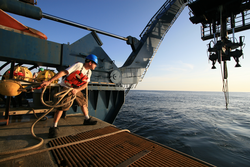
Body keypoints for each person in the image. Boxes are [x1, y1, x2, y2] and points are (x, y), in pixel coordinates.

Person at [40, 54, 98, 138]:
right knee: (62, 107)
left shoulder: (89, 72)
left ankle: (87, 119)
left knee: (83, 102)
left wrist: (77, 90)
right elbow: (64, 72)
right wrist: (49, 81)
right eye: (95, 64)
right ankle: (54, 126)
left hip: (76, 89)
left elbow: (85, 84)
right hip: (67, 87)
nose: (95, 66)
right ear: (90, 62)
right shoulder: (79, 65)